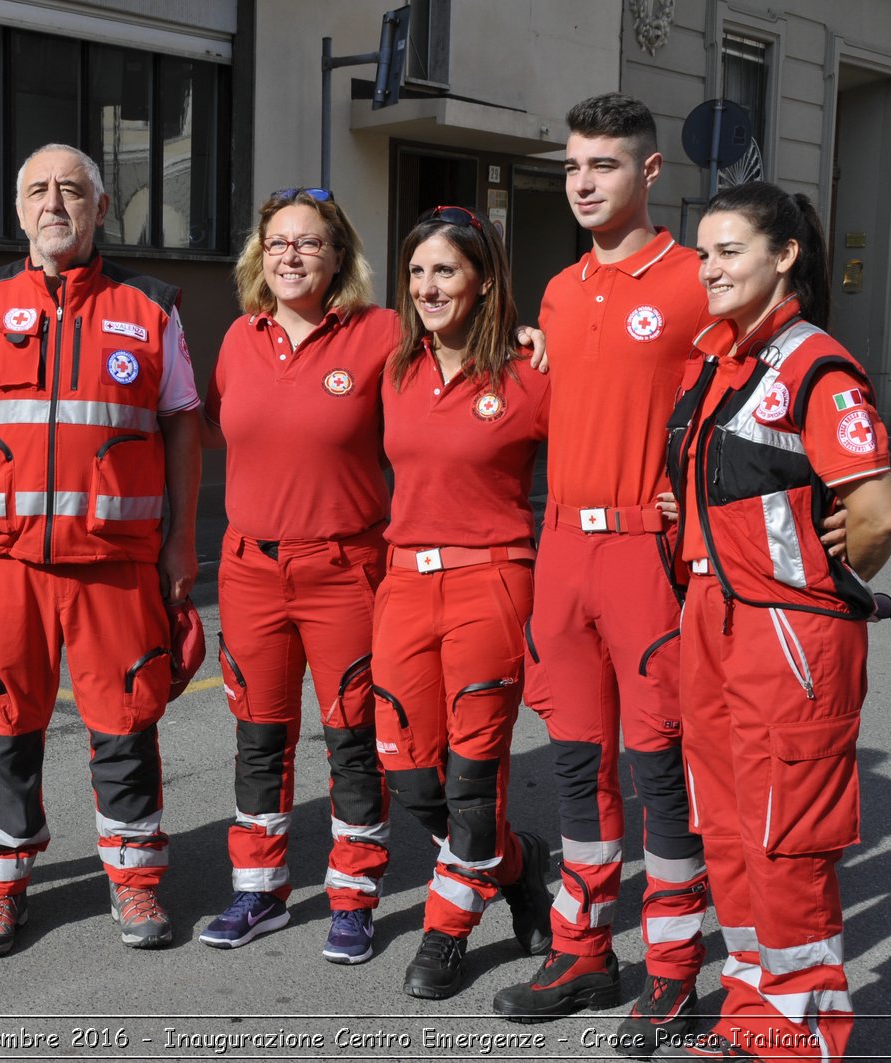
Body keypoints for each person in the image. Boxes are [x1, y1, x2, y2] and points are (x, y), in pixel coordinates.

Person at [0, 143, 201, 957]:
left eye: (72, 190)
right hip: (5, 562)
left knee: (125, 724)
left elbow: (185, 420)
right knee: (7, 726)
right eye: (38, 191)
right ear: (19, 211)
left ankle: (135, 878)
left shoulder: (150, 306)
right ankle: (0, 888)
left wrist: (182, 539)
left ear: (100, 208)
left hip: (115, 565)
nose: (55, 203)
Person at [652, 181, 891, 1061]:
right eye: (704, 252)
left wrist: (824, 589)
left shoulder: (813, 364)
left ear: (784, 255)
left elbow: (876, 514)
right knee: (727, 828)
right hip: (713, 621)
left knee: (787, 836)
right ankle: (750, 1012)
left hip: (789, 633)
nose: (709, 268)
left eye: (729, 251)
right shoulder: (720, 363)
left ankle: (800, 1038)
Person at [493, 93, 711, 1049]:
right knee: (578, 767)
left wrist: (698, 505)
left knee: (659, 768)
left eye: (605, 166)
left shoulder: (700, 281)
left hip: (646, 557)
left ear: (650, 173)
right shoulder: (557, 290)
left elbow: (748, 402)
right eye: (574, 167)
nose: (583, 183)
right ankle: (585, 953)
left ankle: (673, 972)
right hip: (562, 555)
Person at [197, 188, 394, 963]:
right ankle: (260, 889)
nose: (290, 256)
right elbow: (208, 425)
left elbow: (456, 367)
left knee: (352, 738)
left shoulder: (380, 334)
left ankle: (353, 896)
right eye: (277, 243)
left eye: (308, 243)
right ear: (259, 256)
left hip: (345, 568)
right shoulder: (240, 340)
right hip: (250, 568)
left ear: (338, 256)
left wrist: (517, 334)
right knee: (259, 738)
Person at [375, 205, 554, 1000]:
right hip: (405, 581)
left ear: (483, 280)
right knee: (414, 778)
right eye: (416, 272)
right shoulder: (394, 364)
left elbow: (609, 439)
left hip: (493, 578)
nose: (426, 286)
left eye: (444, 270)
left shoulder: (531, 371)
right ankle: (516, 865)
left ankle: (446, 930)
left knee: (473, 782)